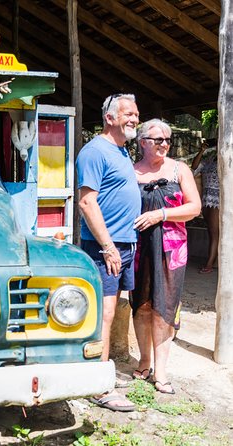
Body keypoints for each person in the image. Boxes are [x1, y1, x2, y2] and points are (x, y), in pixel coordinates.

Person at [76, 93, 141, 412]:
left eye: (136, 114)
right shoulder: (94, 151)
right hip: (106, 246)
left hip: (123, 243)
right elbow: (87, 202)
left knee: (113, 310)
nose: (135, 119)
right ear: (110, 117)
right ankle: (98, 386)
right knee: (103, 313)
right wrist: (108, 246)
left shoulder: (122, 151)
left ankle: (99, 372)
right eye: (129, 113)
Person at [132, 119, 201, 395]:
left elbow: (194, 207)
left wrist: (161, 214)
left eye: (167, 140)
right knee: (141, 303)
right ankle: (144, 360)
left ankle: (161, 371)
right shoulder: (130, 171)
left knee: (165, 306)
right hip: (139, 248)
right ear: (142, 142)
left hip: (172, 249)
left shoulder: (179, 170)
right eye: (158, 139)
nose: (164, 144)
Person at [191, 139, 219, 274]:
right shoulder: (210, 159)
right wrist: (202, 150)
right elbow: (195, 167)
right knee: (211, 232)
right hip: (206, 199)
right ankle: (212, 260)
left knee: (215, 233)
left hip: (217, 200)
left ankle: (209, 264)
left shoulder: (228, 159)